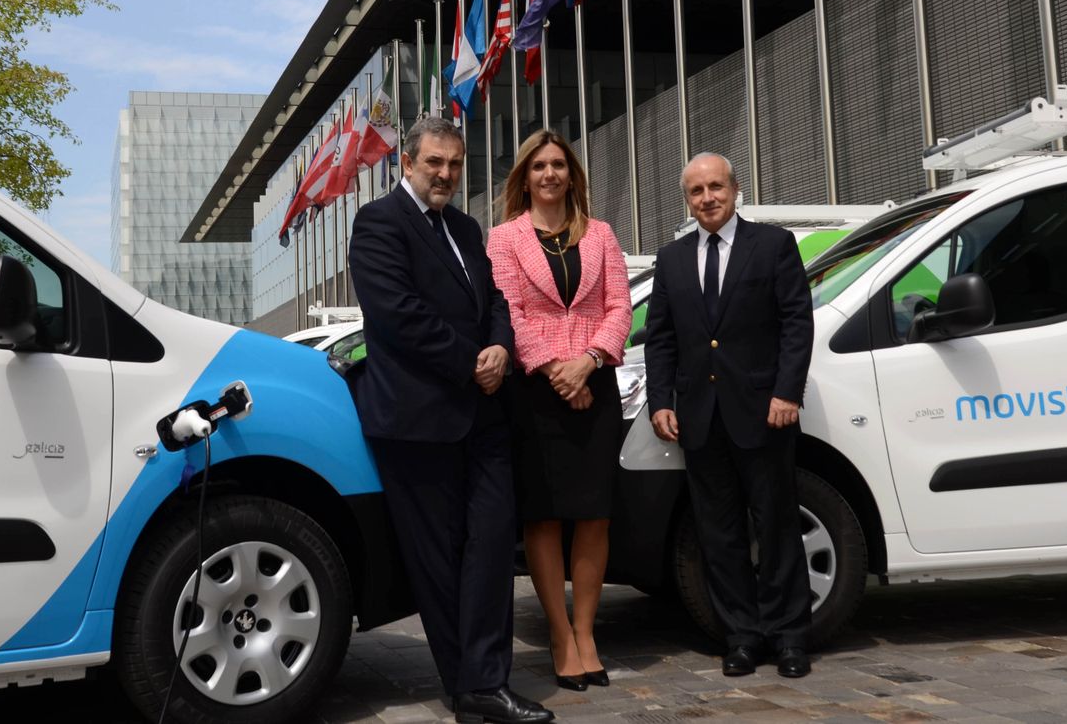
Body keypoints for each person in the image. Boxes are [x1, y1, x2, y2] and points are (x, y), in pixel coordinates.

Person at [348, 115, 552, 724]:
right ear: (406, 163)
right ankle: (468, 689)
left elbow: (494, 299)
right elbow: (397, 315)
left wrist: (499, 348)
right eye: (434, 162)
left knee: (490, 548)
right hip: (416, 420)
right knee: (438, 563)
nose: (445, 174)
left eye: (455, 164)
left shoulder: (465, 228)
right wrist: (471, 362)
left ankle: (487, 681)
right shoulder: (378, 223)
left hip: (483, 415)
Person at [642, 152, 816, 680]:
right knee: (718, 535)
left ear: (735, 189)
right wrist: (662, 401)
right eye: (697, 191)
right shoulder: (671, 259)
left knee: (778, 525)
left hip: (766, 414)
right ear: (687, 199)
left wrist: (787, 392)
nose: (708, 198)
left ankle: (789, 638)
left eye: (716, 187)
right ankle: (741, 636)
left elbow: (796, 323)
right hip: (701, 418)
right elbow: (661, 339)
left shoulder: (773, 245)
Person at [486, 131, 632, 692]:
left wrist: (589, 361)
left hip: (595, 382)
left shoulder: (600, 234)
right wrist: (556, 370)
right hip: (535, 387)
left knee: (594, 513)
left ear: (572, 175)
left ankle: (587, 632)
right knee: (544, 516)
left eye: (559, 165)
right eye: (539, 166)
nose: (550, 174)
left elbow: (619, 305)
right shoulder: (503, 239)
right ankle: (559, 634)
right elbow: (509, 311)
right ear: (525, 176)